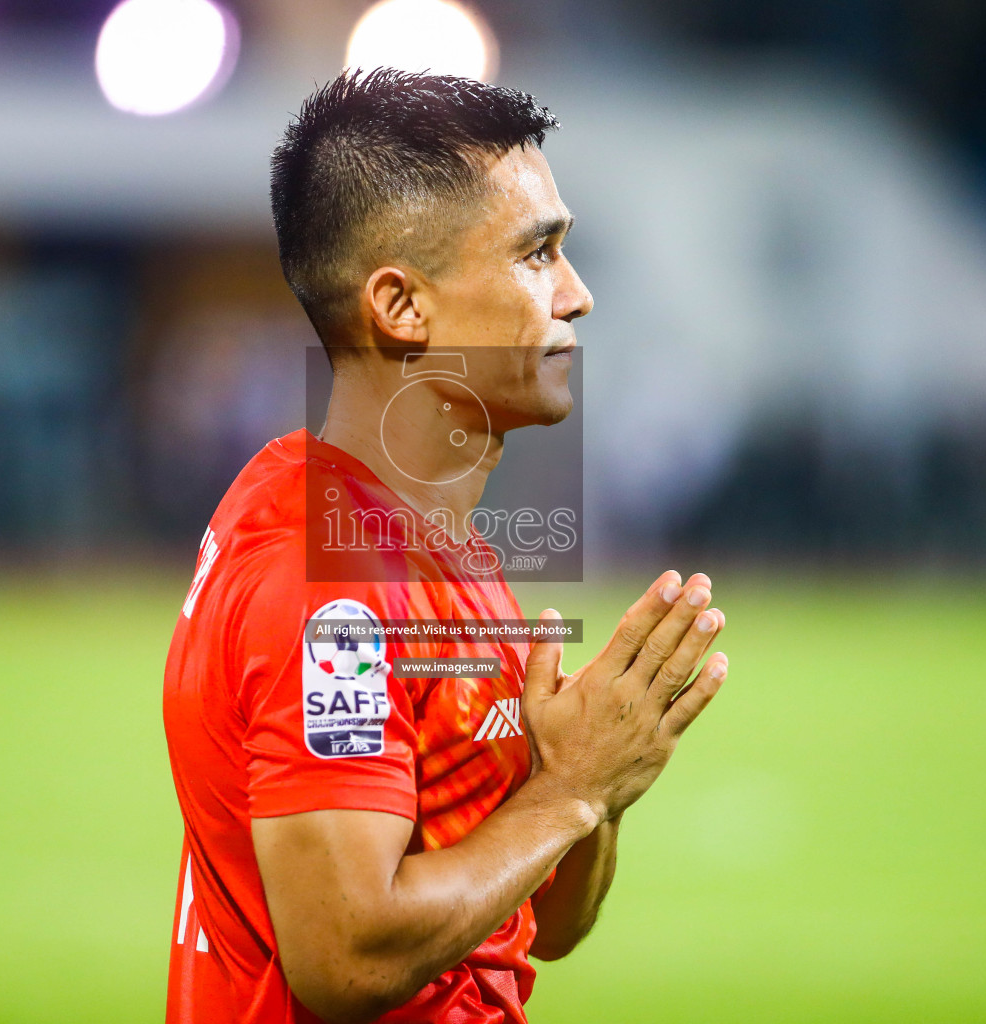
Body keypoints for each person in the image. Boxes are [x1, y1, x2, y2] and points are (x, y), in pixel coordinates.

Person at [162, 70, 729, 1024]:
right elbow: (343, 955)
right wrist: (572, 793)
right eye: (536, 254)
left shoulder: (430, 540)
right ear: (402, 307)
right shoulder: (327, 585)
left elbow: (537, 925)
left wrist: (587, 788)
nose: (577, 297)